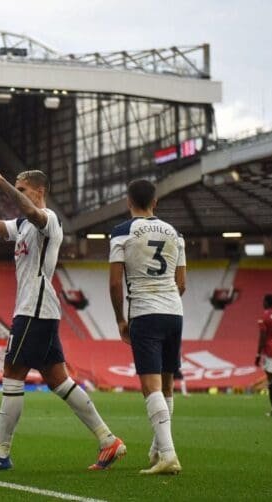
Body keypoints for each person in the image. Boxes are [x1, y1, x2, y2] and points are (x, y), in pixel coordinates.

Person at [0, 160, 125, 473]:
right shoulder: (23, 226)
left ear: (38, 192)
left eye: (23, 189)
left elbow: (32, 212)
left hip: (34, 310)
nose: (19, 193)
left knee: (12, 372)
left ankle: (0, 452)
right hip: (38, 308)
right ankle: (109, 440)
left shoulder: (47, 219)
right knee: (58, 380)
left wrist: (1, 183)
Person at [107, 179, 185, 475]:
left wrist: (119, 319)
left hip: (145, 311)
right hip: (174, 312)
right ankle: (157, 448)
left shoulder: (121, 233)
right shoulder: (176, 234)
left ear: (129, 202)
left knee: (150, 386)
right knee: (167, 384)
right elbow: (182, 283)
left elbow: (115, 282)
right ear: (156, 203)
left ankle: (168, 454)